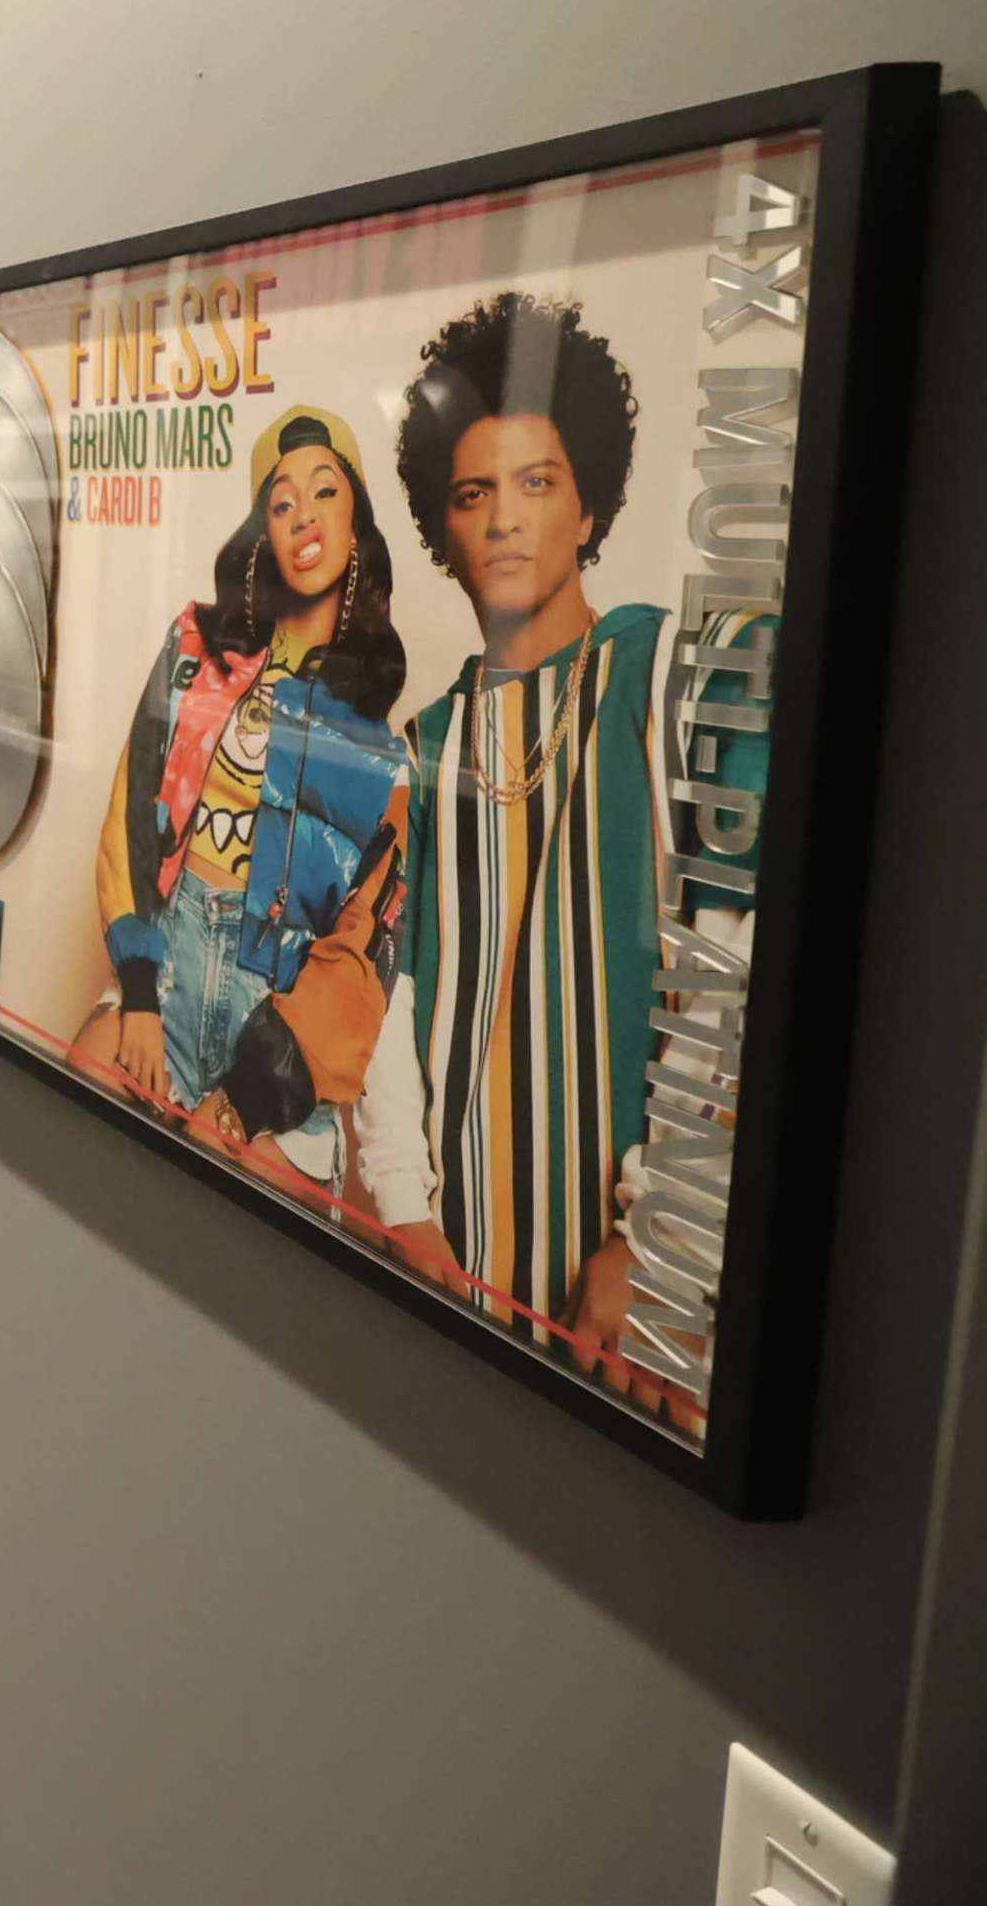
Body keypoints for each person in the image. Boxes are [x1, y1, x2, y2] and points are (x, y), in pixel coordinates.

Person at [348, 291, 754, 1416]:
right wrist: (408, 1215)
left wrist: (661, 1237)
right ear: (444, 524)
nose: (507, 520)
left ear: (589, 505)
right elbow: (392, 991)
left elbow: (731, 961)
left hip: (637, 1305)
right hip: (454, 1272)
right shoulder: (419, 748)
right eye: (475, 493)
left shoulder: (675, 679)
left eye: (538, 484)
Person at [75, 407, 413, 1187]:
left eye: (325, 493)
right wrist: (138, 995)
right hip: (166, 972)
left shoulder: (379, 748)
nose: (304, 516)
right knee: (74, 1131)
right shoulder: (196, 649)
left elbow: (365, 955)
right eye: (282, 500)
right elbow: (132, 812)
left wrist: (247, 1096)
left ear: (357, 525)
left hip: (280, 1029)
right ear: (263, 530)